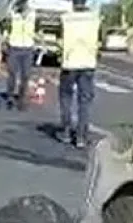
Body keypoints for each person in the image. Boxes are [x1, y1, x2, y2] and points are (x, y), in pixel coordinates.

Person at [57, 0, 101, 148]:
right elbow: (99, 41)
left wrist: (60, 55)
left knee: (66, 98)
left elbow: (59, 40)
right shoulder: (95, 19)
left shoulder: (66, 18)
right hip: (88, 64)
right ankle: (81, 136)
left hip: (69, 63)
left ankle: (66, 132)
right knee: (85, 101)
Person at [2, 0, 36, 111]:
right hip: (14, 47)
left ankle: (22, 97)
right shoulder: (13, 15)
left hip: (28, 48)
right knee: (12, 73)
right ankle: (10, 96)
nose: (23, 6)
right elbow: (6, 24)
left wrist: (42, 42)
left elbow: (38, 29)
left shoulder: (32, 14)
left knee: (25, 75)